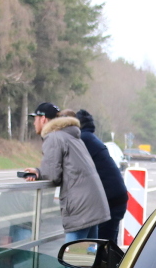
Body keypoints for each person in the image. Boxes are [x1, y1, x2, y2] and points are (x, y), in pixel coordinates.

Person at [22, 102, 109, 243]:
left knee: (71, 259)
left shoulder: (54, 137)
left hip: (80, 207)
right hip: (92, 203)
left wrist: (39, 173)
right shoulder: (69, 135)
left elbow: (52, 175)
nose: (33, 123)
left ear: (43, 119)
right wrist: (39, 171)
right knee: (89, 259)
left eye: (35, 119)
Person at [70, 108, 128, 246]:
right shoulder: (90, 138)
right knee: (108, 246)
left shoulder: (83, 140)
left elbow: (65, 165)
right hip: (115, 199)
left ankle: (110, 267)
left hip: (110, 203)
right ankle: (113, 266)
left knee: (103, 250)